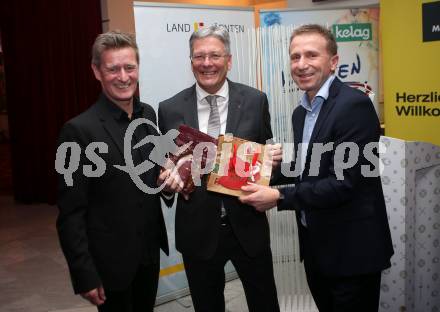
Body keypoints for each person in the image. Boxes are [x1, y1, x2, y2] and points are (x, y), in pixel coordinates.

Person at [240, 24, 394, 312]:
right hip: (317, 248)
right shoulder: (302, 113)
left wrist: (279, 197)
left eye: (311, 55)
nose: (301, 64)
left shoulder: (353, 106)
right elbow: (309, 169)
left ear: (333, 62)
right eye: (295, 56)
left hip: (352, 252)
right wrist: (270, 172)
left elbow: (344, 183)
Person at [157, 25, 280, 312]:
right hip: (197, 232)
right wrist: (166, 181)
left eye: (215, 55)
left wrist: (272, 165)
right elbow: (165, 171)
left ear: (229, 60)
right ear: (191, 62)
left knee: (265, 305)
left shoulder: (255, 101)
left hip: (248, 227)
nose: (207, 63)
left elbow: (268, 165)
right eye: (199, 56)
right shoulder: (169, 109)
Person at [56, 31, 171, 312]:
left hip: (148, 256)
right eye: (113, 68)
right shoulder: (76, 132)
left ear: (137, 68)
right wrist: (84, 274)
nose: (123, 76)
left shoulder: (148, 116)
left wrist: (166, 181)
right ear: (97, 71)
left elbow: (150, 178)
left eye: (129, 67)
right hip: (110, 264)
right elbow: (70, 213)